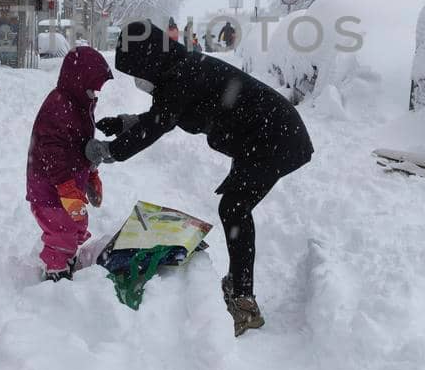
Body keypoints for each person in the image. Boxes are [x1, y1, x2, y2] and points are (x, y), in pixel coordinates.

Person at [87, 20, 313, 336]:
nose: (139, 80)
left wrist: (110, 152)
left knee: (234, 209)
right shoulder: (178, 70)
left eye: (138, 71)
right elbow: (161, 115)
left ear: (150, 59)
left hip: (276, 136)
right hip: (260, 137)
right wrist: (126, 123)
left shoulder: (182, 74)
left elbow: (158, 124)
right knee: (234, 208)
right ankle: (240, 290)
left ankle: (244, 302)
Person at [27, 47, 113, 281]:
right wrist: (65, 185)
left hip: (70, 185)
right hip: (51, 188)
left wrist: (92, 173)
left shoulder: (79, 105)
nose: (95, 95)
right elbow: (52, 151)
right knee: (62, 231)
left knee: (77, 224)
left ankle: (67, 257)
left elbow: (79, 145)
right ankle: (56, 274)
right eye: (91, 88)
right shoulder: (58, 106)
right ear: (78, 80)